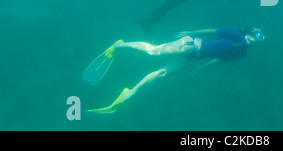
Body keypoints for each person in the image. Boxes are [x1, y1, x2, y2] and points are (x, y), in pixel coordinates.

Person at [82, 27, 265, 114]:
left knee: (162, 73)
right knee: (153, 51)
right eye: (250, 37)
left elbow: (220, 59)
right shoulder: (236, 36)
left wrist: (201, 68)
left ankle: (128, 95)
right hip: (189, 44)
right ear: (247, 33)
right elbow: (213, 31)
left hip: (194, 57)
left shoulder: (242, 53)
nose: (250, 41)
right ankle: (119, 45)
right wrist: (191, 32)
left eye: (254, 42)